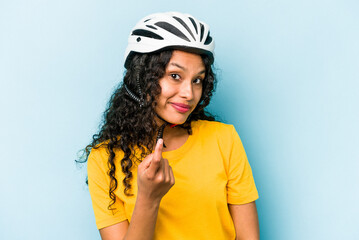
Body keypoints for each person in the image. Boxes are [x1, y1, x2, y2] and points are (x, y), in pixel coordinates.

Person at [85, 12, 259, 240]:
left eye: (197, 80)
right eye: (175, 76)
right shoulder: (104, 159)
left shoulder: (224, 139)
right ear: (142, 78)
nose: (189, 93)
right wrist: (148, 198)